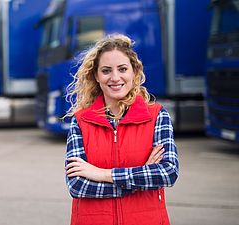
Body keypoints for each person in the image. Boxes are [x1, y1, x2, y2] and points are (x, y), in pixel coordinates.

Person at [64, 34, 179, 225]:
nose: (115, 78)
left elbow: (168, 172)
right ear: (96, 76)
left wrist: (101, 174)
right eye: (106, 70)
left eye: (123, 69)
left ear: (134, 72)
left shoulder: (157, 115)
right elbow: (77, 186)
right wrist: (140, 178)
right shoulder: (80, 121)